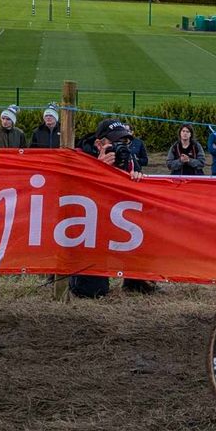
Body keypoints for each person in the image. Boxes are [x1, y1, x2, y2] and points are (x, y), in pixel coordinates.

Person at [71, 118, 152, 298]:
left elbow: (139, 196)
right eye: (114, 142)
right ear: (99, 143)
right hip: (89, 226)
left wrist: (137, 177)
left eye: (124, 142)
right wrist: (98, 169)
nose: (120, 146)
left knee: (145, 225)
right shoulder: (81, 156)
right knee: (92, 292)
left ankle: (136, 280)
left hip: (122, 220)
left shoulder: (128, 157)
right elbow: (74, 195)